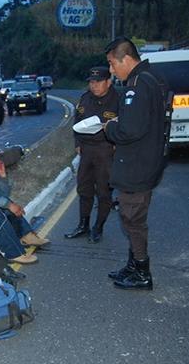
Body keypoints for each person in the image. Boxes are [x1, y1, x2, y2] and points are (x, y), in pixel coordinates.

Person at [103, 37, 168, 291]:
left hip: (137, 165)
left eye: (111, 64)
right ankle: (133, 265)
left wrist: (110, 127)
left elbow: (129, 129)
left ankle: (142, 271)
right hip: (146, 162)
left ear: (126, 59)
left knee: (132, 219)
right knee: (132, 217)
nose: (111, 70)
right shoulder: (149, 78)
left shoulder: (137, 85)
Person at [65, 66, 119, 243]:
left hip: (106, 150)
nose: (94, 86)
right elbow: (77, 122)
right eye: (91, 82)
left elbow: (126, 128)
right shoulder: (85, 99)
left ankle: (98, 227)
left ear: (108, 82)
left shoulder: (118, 99)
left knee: (103, 192)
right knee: (84, 189)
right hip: (86, 150)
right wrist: (77, 144)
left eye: (98, 82)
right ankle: (83, 225)